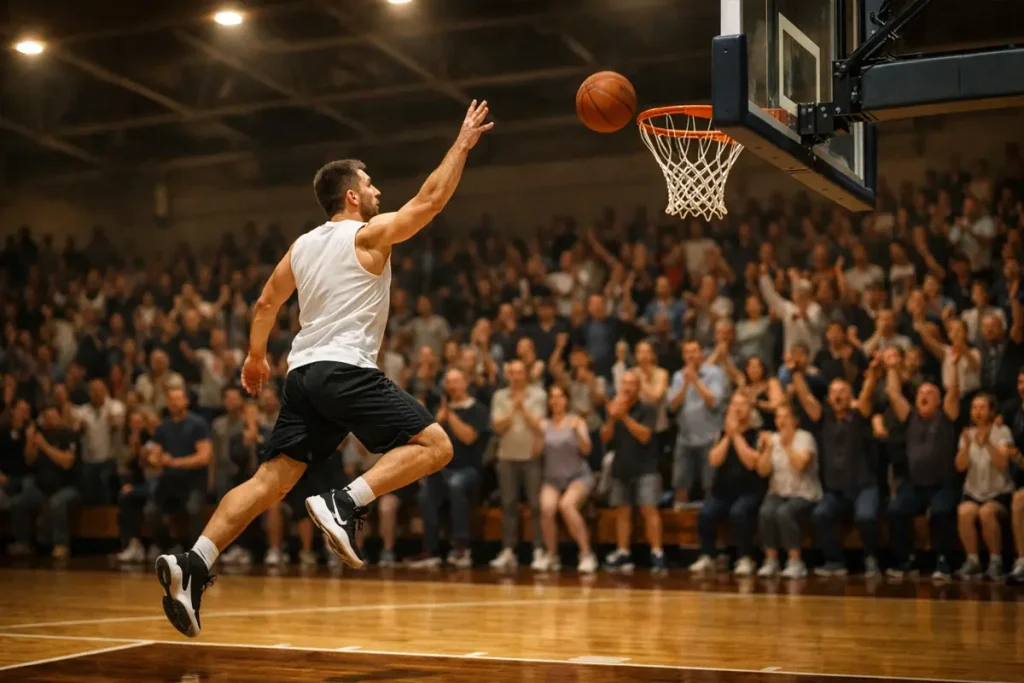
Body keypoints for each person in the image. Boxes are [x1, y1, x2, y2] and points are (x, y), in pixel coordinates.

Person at [156, 100, 493, 638]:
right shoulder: (366, 234)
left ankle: (194, 563)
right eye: (372, 184)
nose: (379, 191)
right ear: (354, 195)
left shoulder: (302, 245)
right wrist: (462, 145)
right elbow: (429, 202)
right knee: (437, 447)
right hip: (344, 368)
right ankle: (344, 503)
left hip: (302, 376)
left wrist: (254, 357)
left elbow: (266, 303)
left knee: (271, 479)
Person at [536, 385, 597, 573]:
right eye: (552, 397)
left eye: (560, 396)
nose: (556, 401)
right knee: (546, 507)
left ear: (566, 400)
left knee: (567, 505)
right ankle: (552, 555)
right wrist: (538, 436)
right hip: (553, 478)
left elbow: (587, 450)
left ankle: (586, 554)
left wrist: (577, 432)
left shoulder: (576, 421)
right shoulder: (543, 424)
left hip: (578, 476)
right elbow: (535, 452)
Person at [955, 394, 1015, 580]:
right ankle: (972, 561)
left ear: (991, 411)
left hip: (998, 492)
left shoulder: (1002, 431)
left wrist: (988, 442)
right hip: (974, 491)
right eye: (974, 408)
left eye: (982, 408)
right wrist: (965, 446)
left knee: (987, 512)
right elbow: (960, 466)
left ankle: (995, 561)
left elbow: (1003, 464)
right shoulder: (967, 434)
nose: (977, 412)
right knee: (964, 512)